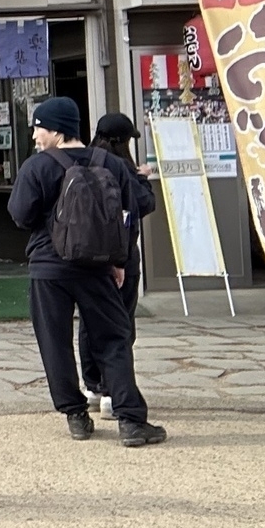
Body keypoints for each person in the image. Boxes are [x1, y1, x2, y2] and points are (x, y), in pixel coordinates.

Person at [9, 95, 167, 447]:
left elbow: (20, 215)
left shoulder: (38, 167)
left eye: (39, 128)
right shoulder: (111, 164)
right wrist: (121, 262)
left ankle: (76, 415)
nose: (35, 136)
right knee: (113, 340)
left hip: (48, 269)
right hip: (97, 268)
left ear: (56, 130)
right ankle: (131, 421)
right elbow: (130, 216)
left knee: (55, 342)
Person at [81, 112, 157, 407]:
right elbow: (142, 205)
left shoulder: (81, 161)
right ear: (121, 141)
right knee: (121, 325)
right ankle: (115, 392)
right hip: (122, 256)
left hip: (86, 256)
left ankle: (92, 385)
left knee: (89, 322)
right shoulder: (122, 167)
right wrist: (143, 179)